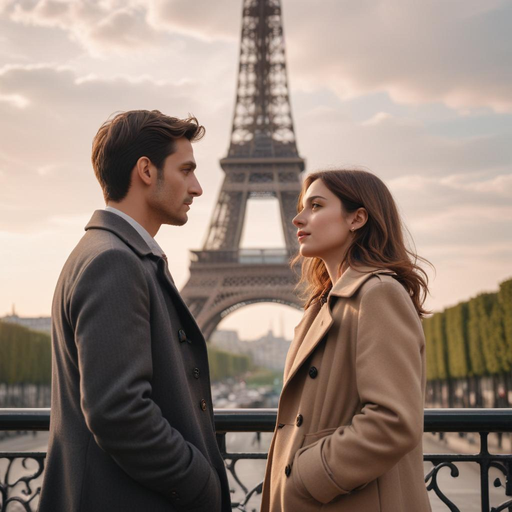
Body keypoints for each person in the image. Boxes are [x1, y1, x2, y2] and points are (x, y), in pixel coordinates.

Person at [38, 110, 231, 512]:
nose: (197, 188)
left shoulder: (107, 253)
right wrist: (200, 482)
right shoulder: (115, 262)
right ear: (146, 170)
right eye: (187, 170)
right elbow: (118, 411)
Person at [261, 169, 432, 512]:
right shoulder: (325, 303)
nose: (298, 218)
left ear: (357, 218)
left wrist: (307, 476)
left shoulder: (378, 294)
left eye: (316, 206)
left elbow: (393, 421)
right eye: (302, 207)